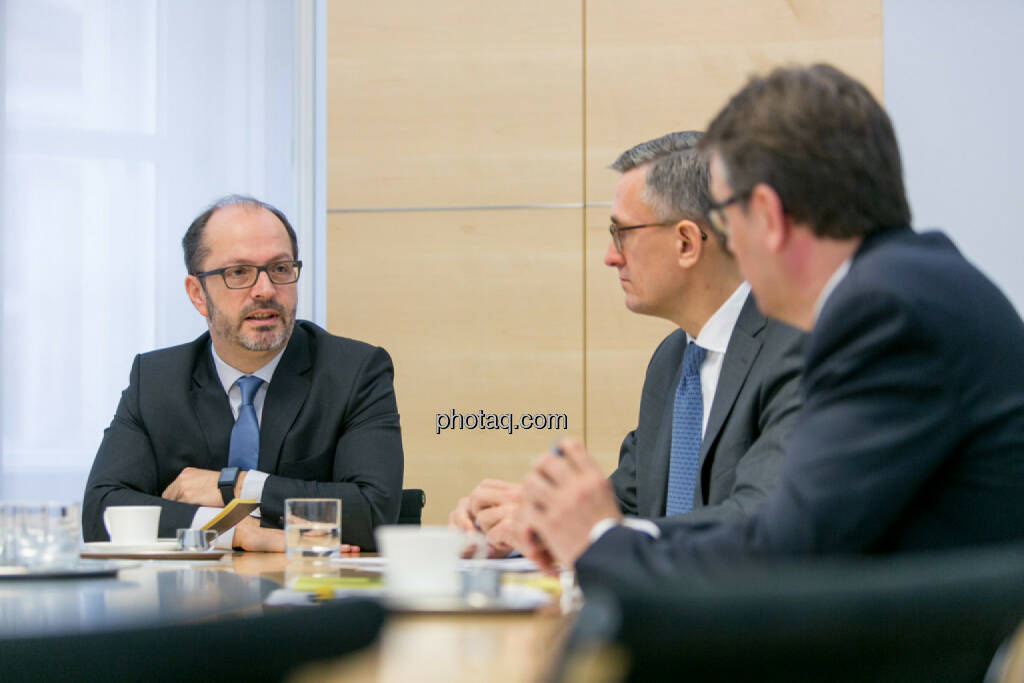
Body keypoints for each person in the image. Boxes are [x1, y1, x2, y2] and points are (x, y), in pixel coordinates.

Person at [520, 64, 1024, 589]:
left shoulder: (883, 314)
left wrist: (604, 544)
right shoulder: (907, 284)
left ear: (766, 214)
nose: (728, 242)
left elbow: (787, 550)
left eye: (725, 215)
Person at [449, 132, 803, 555]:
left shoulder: (799, 349)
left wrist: (600, 533)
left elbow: (761, 515)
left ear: (687, 243)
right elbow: (628, 504)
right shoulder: (672, 360)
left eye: (622, 233)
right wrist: (530, 519)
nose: (610, 256)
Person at [83, 195, 404, 551]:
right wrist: (231, 531)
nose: (265, 290)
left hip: (310, 598)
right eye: (238, 272)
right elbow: (102, 513)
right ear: (198, 293)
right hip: (190, 601)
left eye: (280, 269)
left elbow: (371, 514)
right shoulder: (157, 380)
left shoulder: (353, 372)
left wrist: (236, 487)